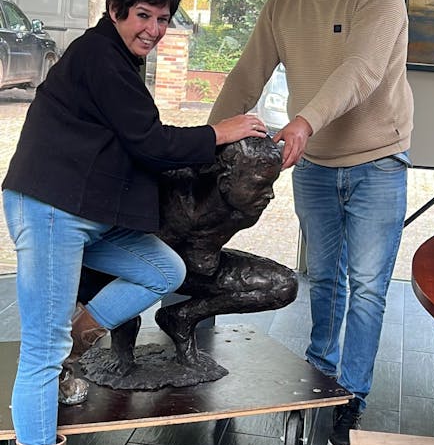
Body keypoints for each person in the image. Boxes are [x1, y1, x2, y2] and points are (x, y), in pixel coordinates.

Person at [1, 0, 268, 445]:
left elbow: (131, 141)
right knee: (40, 351)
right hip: (52, 210)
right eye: (143, 15)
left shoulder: (118, 59)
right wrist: (220, 132)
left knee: (163, 269)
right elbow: (150, 142)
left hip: (86, 213)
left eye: (163, 18)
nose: (154, 28)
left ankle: (74, 341)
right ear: (116, 10)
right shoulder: (100, 56)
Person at [209, 0, 414, 445]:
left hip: (378, 163)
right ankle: (319, 378)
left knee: (367, 287)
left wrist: (303, 122)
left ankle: (352, 396)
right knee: (324, 279)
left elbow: (361, 70)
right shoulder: (283, 5)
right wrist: (206, 140)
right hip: (318, 168)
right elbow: (247, 74)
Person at [76, 135, 298, 381]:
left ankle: (181, 318)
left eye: (270, 184)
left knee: (283, 286)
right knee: (111, 267)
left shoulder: (247, 207)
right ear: (225, 181)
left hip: (192, 267)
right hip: (133, 263)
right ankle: (122, 347)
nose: (270, 195)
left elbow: (204, 257)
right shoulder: (175, 183)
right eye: (259, 185)